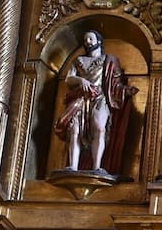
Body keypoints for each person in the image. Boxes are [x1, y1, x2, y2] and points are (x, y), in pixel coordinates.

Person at [56, 30, 137, 173]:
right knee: (75, 130)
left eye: (90, 39)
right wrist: (81, 80)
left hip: (99, 98)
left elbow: (115, 83)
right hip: (80, 99)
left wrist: (125, 91)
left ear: (99, 41)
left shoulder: (109, 60)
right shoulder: (78, 61)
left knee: (100, 128)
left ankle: (97, 167)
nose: (87, 41)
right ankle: (73, 166)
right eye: (85, 39)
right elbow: (69, 79)